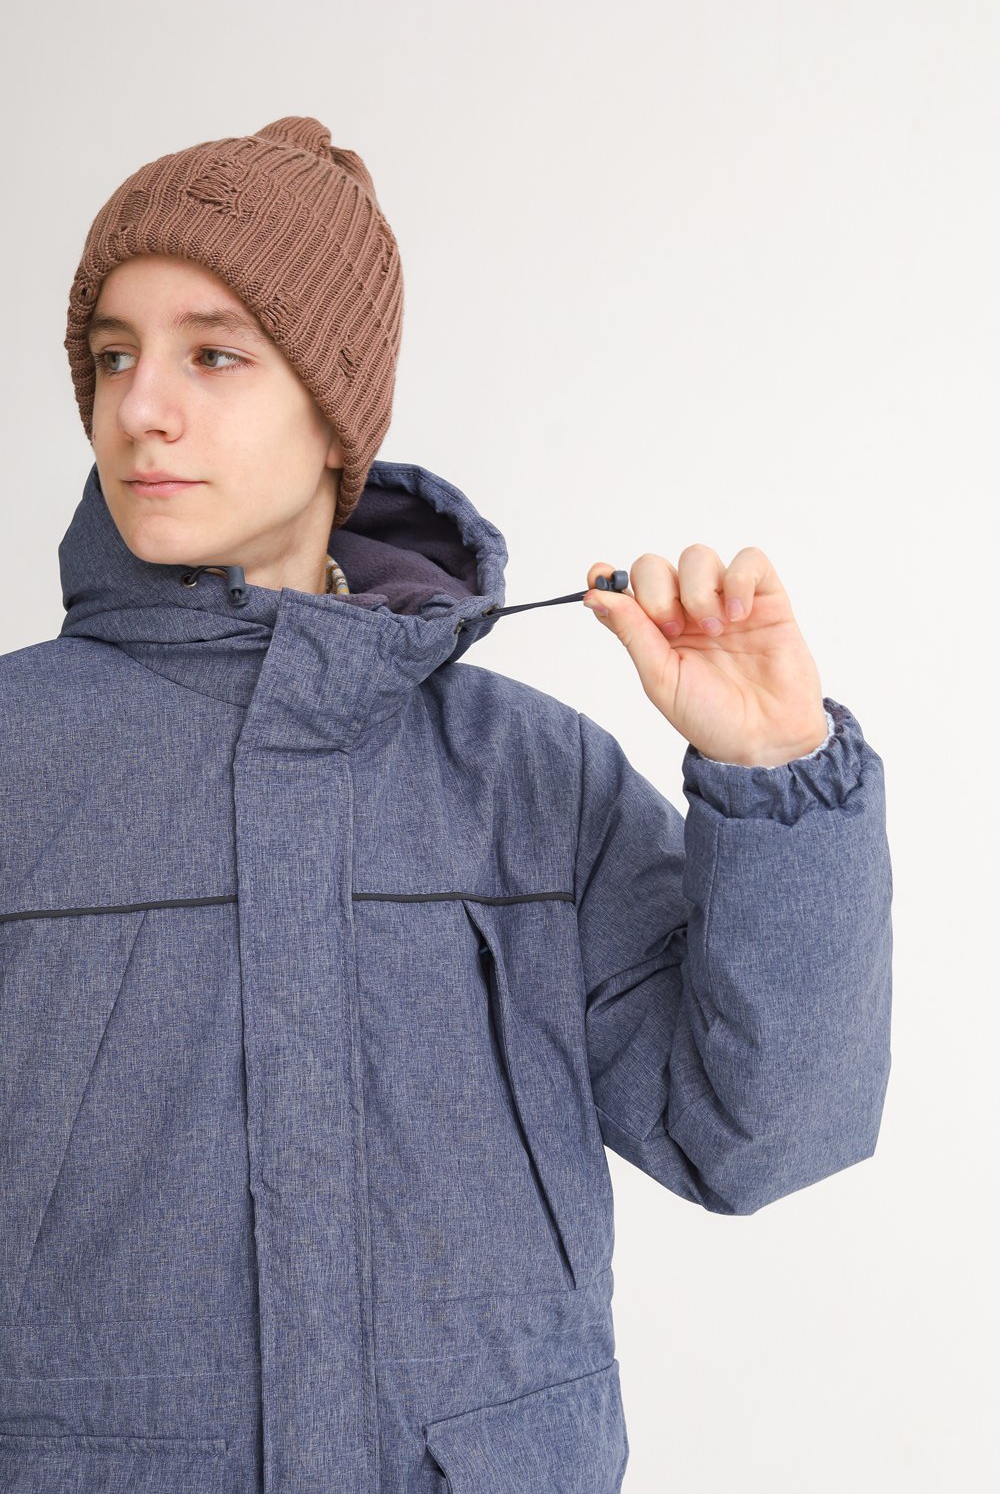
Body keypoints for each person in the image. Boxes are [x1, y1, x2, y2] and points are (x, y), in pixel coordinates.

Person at [0, 115, 893, 1494]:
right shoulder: (19, 757)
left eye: (213, 353)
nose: (139, 410)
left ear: (336, 410)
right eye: (114, 355)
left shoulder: (528, 776)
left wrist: (777, 775)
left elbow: (758, 1135)